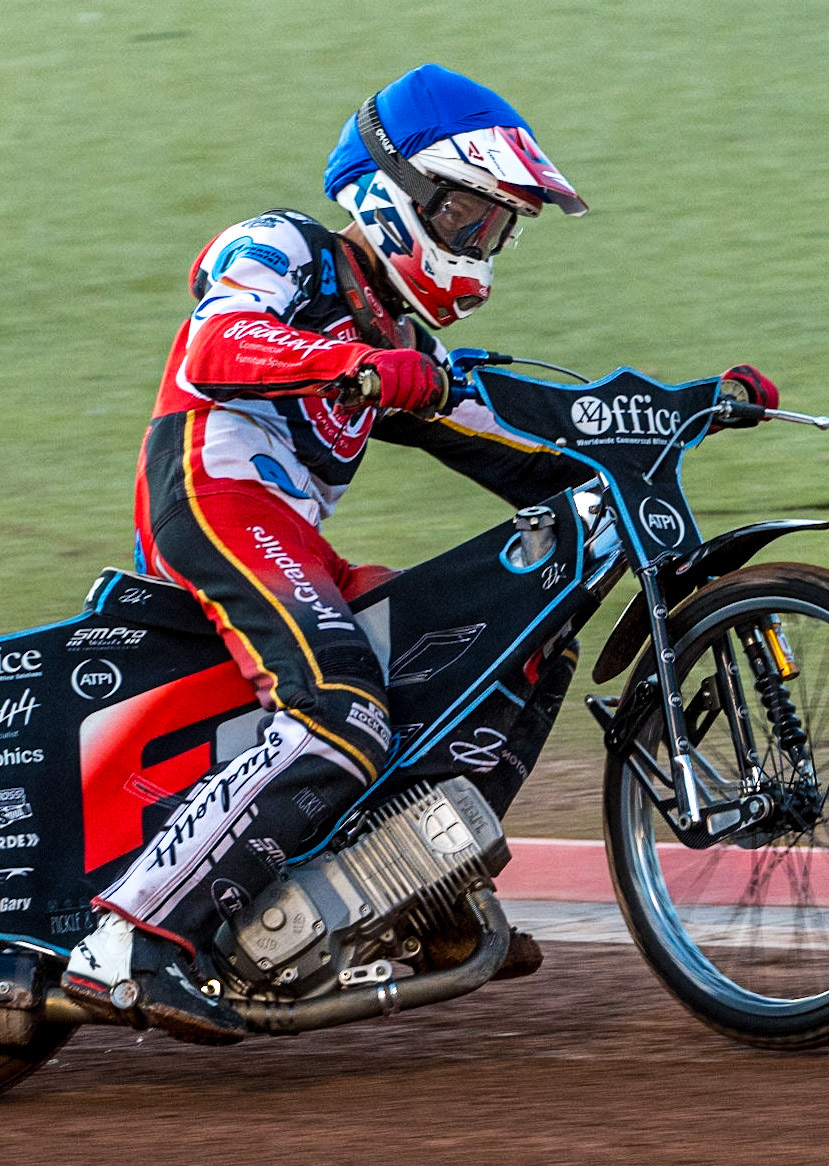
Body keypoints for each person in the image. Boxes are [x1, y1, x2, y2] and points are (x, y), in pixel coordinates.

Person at [61, 64, 601, 1044]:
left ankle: (419, 886)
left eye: (496, 233)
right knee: (340, 708)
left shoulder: (398, 337)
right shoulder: (281, 247)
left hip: (292, 539)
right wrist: (349, 364)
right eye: (473, 221)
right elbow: (214, 346)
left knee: (492, 635)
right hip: (211, 493)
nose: (483, 251)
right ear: (403, 197)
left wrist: (677, 415)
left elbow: (535, 446)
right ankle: (127, 940)